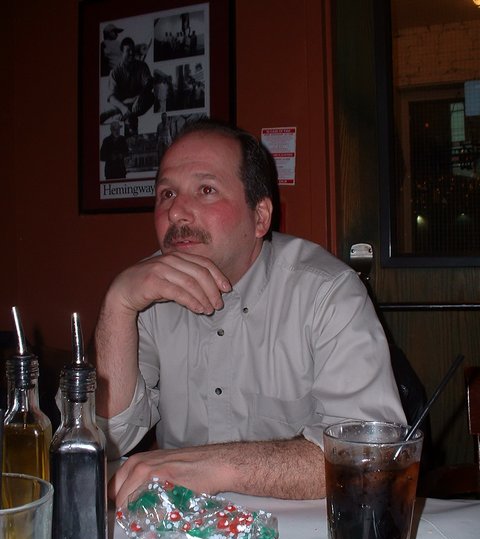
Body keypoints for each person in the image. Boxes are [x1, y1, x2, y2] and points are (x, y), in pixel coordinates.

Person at [94, 118, 406, 507]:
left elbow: (370, 456)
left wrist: (215, 468)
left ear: (260, 217)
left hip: (307, 531)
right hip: (182, 530)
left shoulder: (327, 292)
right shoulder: (146, 294)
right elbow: (107, 435)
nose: (176, 212)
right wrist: (118, 303)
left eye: (206, 190)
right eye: (167, 194)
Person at [104, 37, 154, 134]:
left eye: (133, 50)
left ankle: (122, 115)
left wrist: (140, 97)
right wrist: (124, 108)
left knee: (151, 97)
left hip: (140, 102)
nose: (131, 53)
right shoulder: (114, 72)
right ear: (122, 52)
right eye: (128, 51)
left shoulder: (142, 66)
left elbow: (149, 83)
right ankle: (125, 116)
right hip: (123, 105)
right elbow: (111, 97)